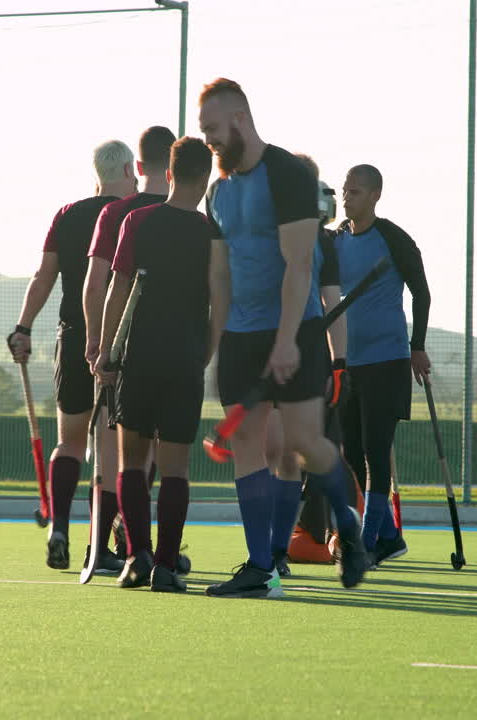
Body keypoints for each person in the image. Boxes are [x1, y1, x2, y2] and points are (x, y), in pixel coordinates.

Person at [198, 78, 368, 599]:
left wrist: (289, 339)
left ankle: (350, 530)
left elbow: (299, 266)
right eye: (202, 131)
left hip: (294, 329)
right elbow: (221, 277)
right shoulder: (217, 190)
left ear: (240, 119)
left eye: (212, 128)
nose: (208, 139)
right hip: (241, 336)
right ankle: (259, 567)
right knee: (248, 442)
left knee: (303, 442)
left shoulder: (288, 176)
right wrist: (214, 346)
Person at [95, 136, 218, 593]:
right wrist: (203, 355)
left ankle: (135, 559)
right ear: (205, 179)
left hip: (138, 359)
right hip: (184, 361)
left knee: (131, 465)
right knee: (175, 469)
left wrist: (105, 353)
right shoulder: (211, 232)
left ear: (168, 174)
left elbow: (117, 289)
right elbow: (220, 302)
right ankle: (165, 566)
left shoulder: (137, 221)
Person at [7, 139, 137, 571]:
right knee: (111, 451)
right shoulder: (133, 216)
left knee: (70, 441)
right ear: (124, 171)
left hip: (70, 336)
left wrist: (23, 327)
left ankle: (59, 525)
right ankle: (102, 546)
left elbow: (44, 276)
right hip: (114, 344)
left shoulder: (67, 214)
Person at [81, 126, 177, 567]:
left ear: (137, 167)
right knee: (159, 452)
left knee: (118, 450)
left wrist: (96, 342)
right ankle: (143, 546)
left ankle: (108, 545)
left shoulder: (115, 213)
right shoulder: (192, 215)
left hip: (124, 350)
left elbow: (95, 283)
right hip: (175, 348)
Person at [333, 163, 431, 565]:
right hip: (349, 364)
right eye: (345, 190)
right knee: (353, 452)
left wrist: (417, 346)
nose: (346, 197)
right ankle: (390, 536)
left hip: (388, 361)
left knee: (376, 451)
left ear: (375, 195)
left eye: (355, 191)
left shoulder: (393, 239)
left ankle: (369, 543)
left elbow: (421, 293)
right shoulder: (336, 240)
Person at [265, 151, 350, 578]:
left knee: (277, 453)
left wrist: (339, 364)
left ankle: (273, 551)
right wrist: (339, 364)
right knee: (284, 455)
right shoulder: (321, 239)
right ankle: (275, 550)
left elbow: (332, 301)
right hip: (298, 350)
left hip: (279, 347)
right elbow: (332, 303)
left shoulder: (278, 234)